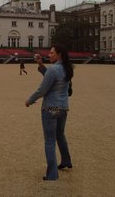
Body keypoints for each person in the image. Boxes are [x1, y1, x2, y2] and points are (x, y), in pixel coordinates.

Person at [25, 45, 74, 181]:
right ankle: (66, 161)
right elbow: (53, 78)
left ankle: (52, 174)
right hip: (63, 108)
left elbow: (42, 90)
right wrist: (40, 64)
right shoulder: (67, 68)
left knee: (50, 141)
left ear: (59, 54)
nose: (49, 55)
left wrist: (29, 100)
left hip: (50, 108)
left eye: (52, 53)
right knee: (60, 135)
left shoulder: (53, 69)